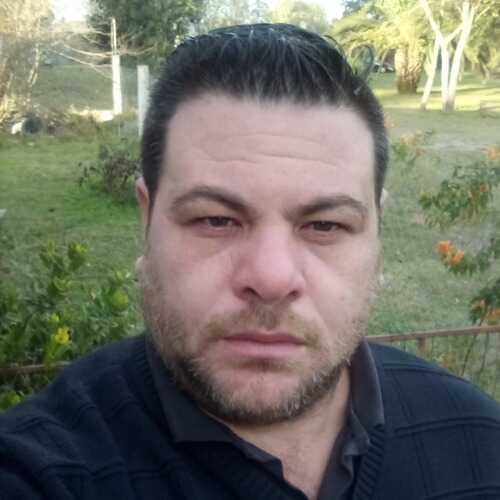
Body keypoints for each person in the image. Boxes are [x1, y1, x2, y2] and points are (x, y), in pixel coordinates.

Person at [1, 23, 499, 500]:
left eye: (325, 225)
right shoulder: (40, 472)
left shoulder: (481, 442)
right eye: (216, 220)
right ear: (147, 219)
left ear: (378, 233)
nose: (271, 278)